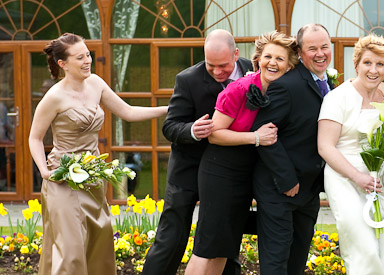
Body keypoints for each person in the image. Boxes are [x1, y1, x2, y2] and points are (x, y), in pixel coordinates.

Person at [29, 33, 167, 275]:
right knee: (70, 251)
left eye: (88, 55)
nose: (87, 61)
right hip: (62, 180)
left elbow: (129, 111)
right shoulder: (54, 97)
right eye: (79, 57)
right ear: (63, 64)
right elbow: (35, 138)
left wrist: (170, 108)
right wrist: (44, 171)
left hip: (93, 178)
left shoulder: (96, 84)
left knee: (98, 245)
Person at [144, 29, 252, 275]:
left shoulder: (252, 70)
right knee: (171, 236)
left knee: (225, 233)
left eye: (223, 65)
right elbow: (170, 126)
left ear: (236, 55)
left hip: (229, 172)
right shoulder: (187, 79)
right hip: (188, 170)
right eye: (210, 65)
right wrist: (192, 129)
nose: (216, 72)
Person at [184, 31, 291, 274]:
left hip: (244, 177)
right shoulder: (239, 89)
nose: (273, 63)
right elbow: (214, 134)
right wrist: (256, 138)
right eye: (268, 57)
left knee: (226, 246)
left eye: (280, 59)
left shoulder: (279, 92)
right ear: (258, 59)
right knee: (207, 245)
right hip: (220, 173)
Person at [250, 23, 334, 275]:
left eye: (324, 47)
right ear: (299, 51)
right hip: (279, 190)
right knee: (276, 264)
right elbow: (266, 135)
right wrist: (287, 180)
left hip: (308, 193)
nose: (320, 53)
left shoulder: (326, 82)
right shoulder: (285, 86)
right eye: (312, 49)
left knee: (296, 263)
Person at [317, 34, 384, 275]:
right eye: (367, 63)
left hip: (375, 178)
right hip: (344, 178)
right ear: (356, 65)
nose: (373, 70)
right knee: (363, 246)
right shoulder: (337, 98)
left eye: (380, 64)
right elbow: (325, 147)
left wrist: (371, 176)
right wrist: (357, 177)